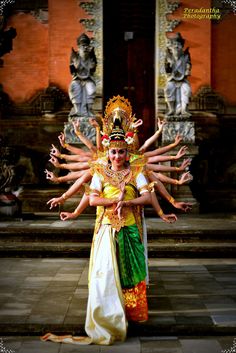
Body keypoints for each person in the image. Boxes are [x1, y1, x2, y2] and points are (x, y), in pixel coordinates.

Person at [42, 96, 189, 346]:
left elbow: (149, 192)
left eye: (121, 151)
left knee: (131, 271)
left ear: (128, 149)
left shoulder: (137, 169)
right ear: (107, 151)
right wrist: (74, 203)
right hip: (106, 226)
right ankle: (106, 311)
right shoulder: (101, 169)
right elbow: (88, 193)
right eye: (113, 151)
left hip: (130, 225)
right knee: (105, 272)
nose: (118, 156)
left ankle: (129, 312)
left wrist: (159, 206)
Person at [68, 33, 97, 117]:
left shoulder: (91, 57)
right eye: (83, 46)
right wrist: (75, 62)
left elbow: (93, 69)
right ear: (79, 48)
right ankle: (77, 110)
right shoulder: (75, 57)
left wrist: (91, 59)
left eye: (86, 46)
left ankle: (89, 109)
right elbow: (72, 71)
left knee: (91, 90)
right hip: (77, 79)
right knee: (74, 88)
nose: (85, 48)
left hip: (88, 79)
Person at [164, 32, 192, 117]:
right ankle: (171, 109)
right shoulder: (169, 57)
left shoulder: (185, 56)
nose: (176, 46)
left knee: (187, 90)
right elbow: (167, 70)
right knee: (168, 89)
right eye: (174, 44)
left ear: (182, 46)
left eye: (178, 44)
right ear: (171, 47)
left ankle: (184, 109)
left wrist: (187, 70)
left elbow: (188, 65)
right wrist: (169, 66)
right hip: (172, 79)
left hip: (183, 79)